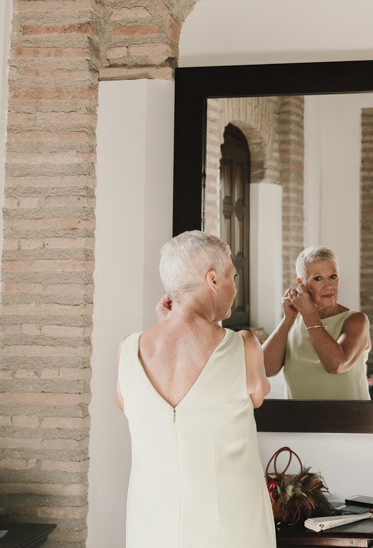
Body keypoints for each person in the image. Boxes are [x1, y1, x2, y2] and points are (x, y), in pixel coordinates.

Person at [116, 231, 276, 548]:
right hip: (233, 530)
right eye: (232, 276)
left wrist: (167, 326)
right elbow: (259, 393)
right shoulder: (243, 346)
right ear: (213, 280)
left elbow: (128, 404)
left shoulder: (128, 350)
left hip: (152, 529)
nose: (234, 285)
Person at [262, 246, 372, 400]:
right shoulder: (294, 320)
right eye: (318, 278)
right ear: (301, 283)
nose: (329, 286)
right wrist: (288, 319)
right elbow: (265, 370)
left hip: (350, 421)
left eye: (333, 276)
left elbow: (337, 365)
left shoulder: (356, 320)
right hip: (301, 422)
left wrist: (309, 314)